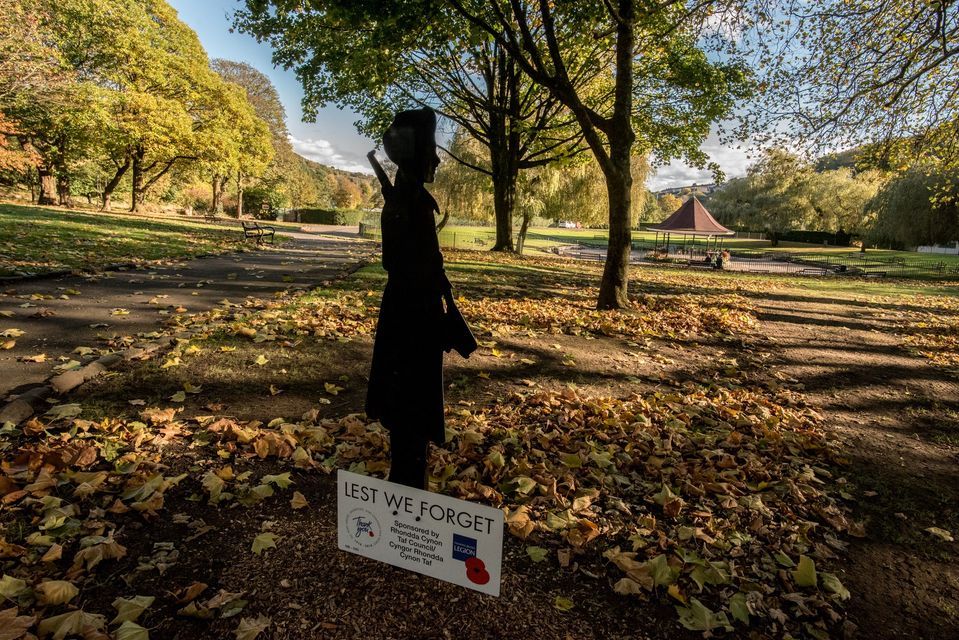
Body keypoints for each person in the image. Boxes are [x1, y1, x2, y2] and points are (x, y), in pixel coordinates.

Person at [365, 107, 453, 490]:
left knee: (411, 409)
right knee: (410, 407)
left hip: (414, 316)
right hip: (412, 320)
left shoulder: (411, 199)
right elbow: (400, 264)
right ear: (414, 152)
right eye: (430, 149)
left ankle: (409, 476)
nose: (436, 158)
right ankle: (406, 485)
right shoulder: (408, 202)